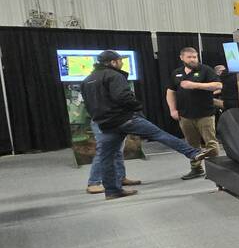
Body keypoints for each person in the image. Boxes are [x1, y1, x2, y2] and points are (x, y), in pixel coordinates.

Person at [83, 51, 214, 199]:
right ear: (113, 62)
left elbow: (88, 105)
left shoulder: (87, 79)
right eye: (120, 61)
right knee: (159, 134)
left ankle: (112, 191)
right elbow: (122, 97)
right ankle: (193, 152)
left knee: (107, 156)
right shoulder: (114, 75)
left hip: (105, 123)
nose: (122, 63)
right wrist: (136, 106)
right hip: (124, 119)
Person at [167, 47, 222, 181]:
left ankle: (216, 171)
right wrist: (172, 110)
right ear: (182, 58)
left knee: (212, 145)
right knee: (192, 145)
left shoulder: (205, 70)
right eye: (189, 57)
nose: (192, 59)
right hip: (185, 115)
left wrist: (195, 85)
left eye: (195, 57)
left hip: (205, 114)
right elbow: (170, 92)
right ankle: (196, 169)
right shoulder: (177, 73)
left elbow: (218, 85)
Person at [84, 118, 140, 194]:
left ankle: (120, 177)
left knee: (118, 149)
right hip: (101, 119)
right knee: (103, 150)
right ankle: (93, 182)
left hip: (114, 119)